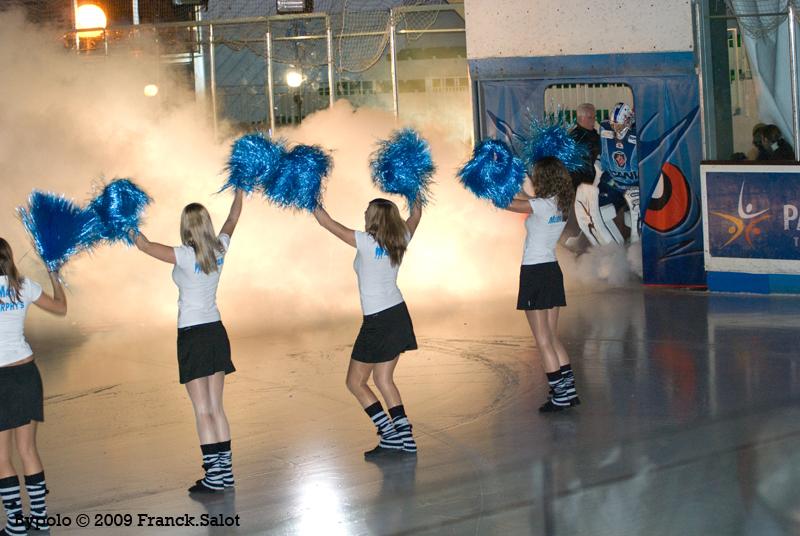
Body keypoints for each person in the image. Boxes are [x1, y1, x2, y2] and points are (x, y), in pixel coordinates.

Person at [132, 190, 243, 494]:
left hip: (193, 336)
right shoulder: (220, 248)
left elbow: (143, 245)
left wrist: (123, 220)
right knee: (217, 408)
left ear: (186, 228)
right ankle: (226, 474)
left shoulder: (182, 255)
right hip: (216, 332)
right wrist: (240, 191)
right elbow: (233, 218)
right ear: (206, 224)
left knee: (203, 410)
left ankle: (213, 477)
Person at [313, 199, 422, 458]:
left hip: (378, 321)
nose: (363, 212)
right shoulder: (401, 237)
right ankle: (404, 438)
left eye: (367, 210)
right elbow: (417, 213)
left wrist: (309, 195)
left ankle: (390, 434)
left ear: (374, 217)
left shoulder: (366, 241)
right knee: (383, 379)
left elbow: (326, 222)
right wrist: (415, 187)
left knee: (355, 381)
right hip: (397, 315)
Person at [0, 238, 67, 535]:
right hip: (27, 373)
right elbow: (60, 308)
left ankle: (16, 525)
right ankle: (39, 518)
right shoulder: (23, 286)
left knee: (2, 457)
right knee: (27, 449)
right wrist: (55, 274)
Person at [504, 157, 580, 412]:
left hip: (535, 273)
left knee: (542, 340)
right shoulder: (557, 202)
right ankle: (568, 390)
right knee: (551, 336)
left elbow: (509, 204)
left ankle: (559, 395)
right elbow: (526, 196)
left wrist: (491, 187)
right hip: (550, 271)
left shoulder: (542, 205)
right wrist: (517, 176)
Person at [568, 103, 601, 189]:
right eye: (590, 117)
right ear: (580, 118)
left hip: (590, 184)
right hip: (580, 185)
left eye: (594, 117)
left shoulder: (594, 135)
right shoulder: (575, 138)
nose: (593, 120)